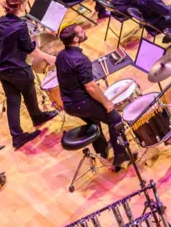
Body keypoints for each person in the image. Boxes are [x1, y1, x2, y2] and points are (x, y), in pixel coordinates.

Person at [55, 25, 132, 171]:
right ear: (76, 39)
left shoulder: (60, 55)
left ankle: (102, 152)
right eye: (81, 32)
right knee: (114, 119)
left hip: (69, 104)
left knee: (94, 121)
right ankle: (121, 156)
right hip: (82, 103)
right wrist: (107, 103)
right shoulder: (81, 59)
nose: (85, 32)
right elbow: (90, 87)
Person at [0, 0, 59, 148]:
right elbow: (29, 49)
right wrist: (49, 57)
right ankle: (37, 117)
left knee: (13, 101)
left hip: (1, 69)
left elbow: (5, 41)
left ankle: (18, 136)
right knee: (29, 93)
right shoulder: (20, 25)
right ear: (21, 6)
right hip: (17, 70)